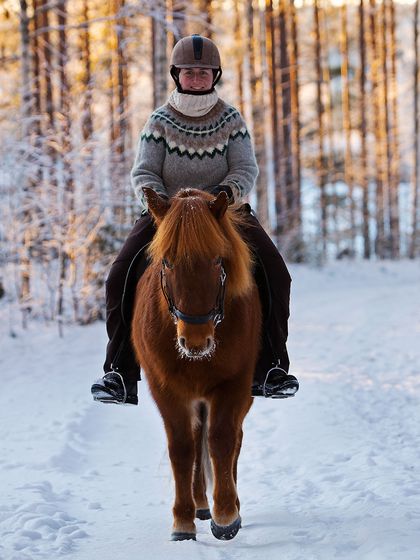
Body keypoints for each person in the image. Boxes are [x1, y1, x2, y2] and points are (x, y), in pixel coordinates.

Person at [91, 34, 299, 406]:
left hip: (224, 213)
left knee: (275, 273)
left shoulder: (231, 119)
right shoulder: (160, 121)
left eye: (204, 72)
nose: (197, 78)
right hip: (168, 217)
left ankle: (271, 367)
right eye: (190, 72)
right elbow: (144, 172)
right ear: (176, 75)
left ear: (215, 75)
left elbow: (245, 167)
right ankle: (119, 371)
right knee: (118, 276)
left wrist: (224, 195)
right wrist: (159, 202)